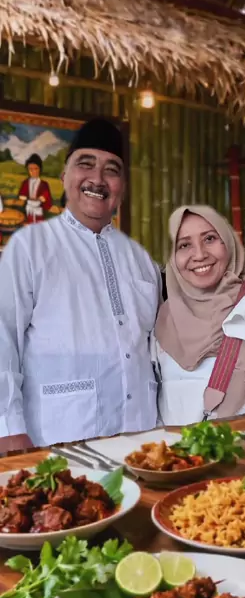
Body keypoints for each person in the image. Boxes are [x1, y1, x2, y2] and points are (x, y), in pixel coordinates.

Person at [0, 117, 162, 453]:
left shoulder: (141, 259)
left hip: (143, 440)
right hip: (60, 436)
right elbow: (4, 340)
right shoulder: (30, 248)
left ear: (122, 186)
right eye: (85, 164)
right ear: (64, 176)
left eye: (112, 170)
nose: (97, 179)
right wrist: (7, 427)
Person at [153, 204, 245, 425]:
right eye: (184, 245)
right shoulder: (164, 318)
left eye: (210, 239)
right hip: (173, 445)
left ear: (229, 242)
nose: (199, 254)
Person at [17, 153, 53, 223]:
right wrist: (31, 198)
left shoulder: (44, 184)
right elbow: (21, 196)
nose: (33, 171)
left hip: (38, 212)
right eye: (30, 169)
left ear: (40, 169)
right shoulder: (25, 183)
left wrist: (31, 198)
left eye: (36, 169)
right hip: (28, 211)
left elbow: (44, 198)